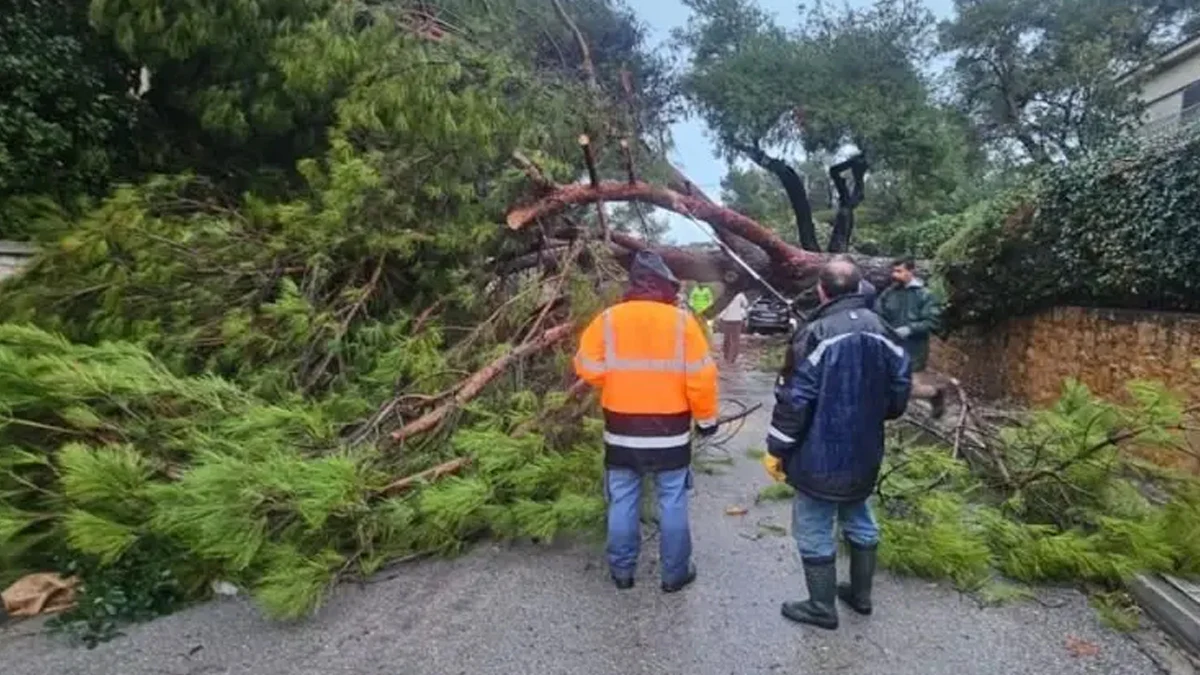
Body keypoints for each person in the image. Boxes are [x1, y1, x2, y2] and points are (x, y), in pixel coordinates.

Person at [762, 258, 911, 630]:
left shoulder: (815, 333)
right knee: (859, 515)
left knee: (813, 525)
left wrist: (777, 448)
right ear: (859, 287)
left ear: (821, 290)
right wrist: (880, 414)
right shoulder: (883, 329)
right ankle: (860, 595)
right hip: (865, 449)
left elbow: (794, 399)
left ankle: (821, 607)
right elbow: (900, 385)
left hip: (817, 455)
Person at [574, 251, 719, 593]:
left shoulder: (608, 319)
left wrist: (614, 380)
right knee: (673, 500)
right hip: (670, 431)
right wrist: (706, 420)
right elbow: (701, 377)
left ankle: (622, 573)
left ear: (634, 285)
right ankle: (674, 575)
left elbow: (585, 365)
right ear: (666, 286)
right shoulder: (682, 322)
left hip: (622, 428)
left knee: (622, 499)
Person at [876, 257, 945, 417]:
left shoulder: (925, 295)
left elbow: (933, 322)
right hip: (891, 347)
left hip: (914, 350)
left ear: (911, 271)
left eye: (899, 271)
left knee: (910, 388)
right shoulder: (889, 293)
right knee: (888, 384)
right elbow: (878, 313)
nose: (895, 275)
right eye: (893, 271)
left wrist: (910, 328)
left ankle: (935, 393)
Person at [717, 290, 750, 364]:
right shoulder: (740, 294)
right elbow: (746, 304)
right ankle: (732, 358)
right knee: (735, 340)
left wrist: (720, 317)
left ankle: (726, 356)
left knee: (727, 338)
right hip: (737, 320)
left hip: (727, 319)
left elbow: (722, 307)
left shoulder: (725, 294)